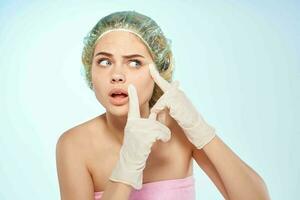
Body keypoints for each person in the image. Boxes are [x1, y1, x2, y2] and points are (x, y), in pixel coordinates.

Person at [56, 10, 270, 200]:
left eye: (134, 62)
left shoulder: (180, 129)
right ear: (89, 70)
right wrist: (126, 169)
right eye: (105, 61)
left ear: (159, 69)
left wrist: (202, 131)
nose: (117, 75)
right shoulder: (74, 145)